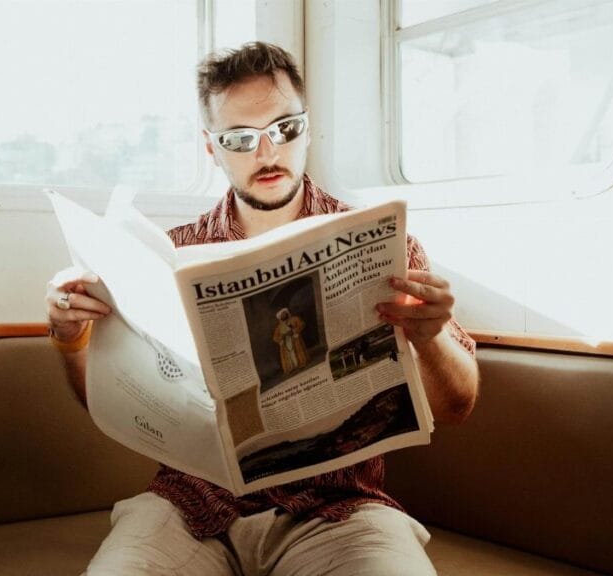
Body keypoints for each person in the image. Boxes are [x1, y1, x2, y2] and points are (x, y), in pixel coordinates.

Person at [46, 41, 479, 576]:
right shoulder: (168, 257)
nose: (267, 152)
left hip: (338, 510)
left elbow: (458, 406)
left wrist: (430, 337)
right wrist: (69, 339)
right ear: (212, 149)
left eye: (285, 129)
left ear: (307, 128)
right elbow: (107, 404)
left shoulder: (384, 245)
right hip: (190, 507)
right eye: (240, 139)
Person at [273, 307, 308, 374]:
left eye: (284, 313)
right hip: (286, 342)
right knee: (289, 355)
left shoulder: (294, 319)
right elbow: (275, 338)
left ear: (287, 313)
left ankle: (301, 364)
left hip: (295, 340)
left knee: (297, 351)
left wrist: (293, 331)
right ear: (280, 317)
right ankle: (291, 367)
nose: (283, 315)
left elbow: (302, 324)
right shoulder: (279, 327)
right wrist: (282, 337)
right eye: (282, 315)